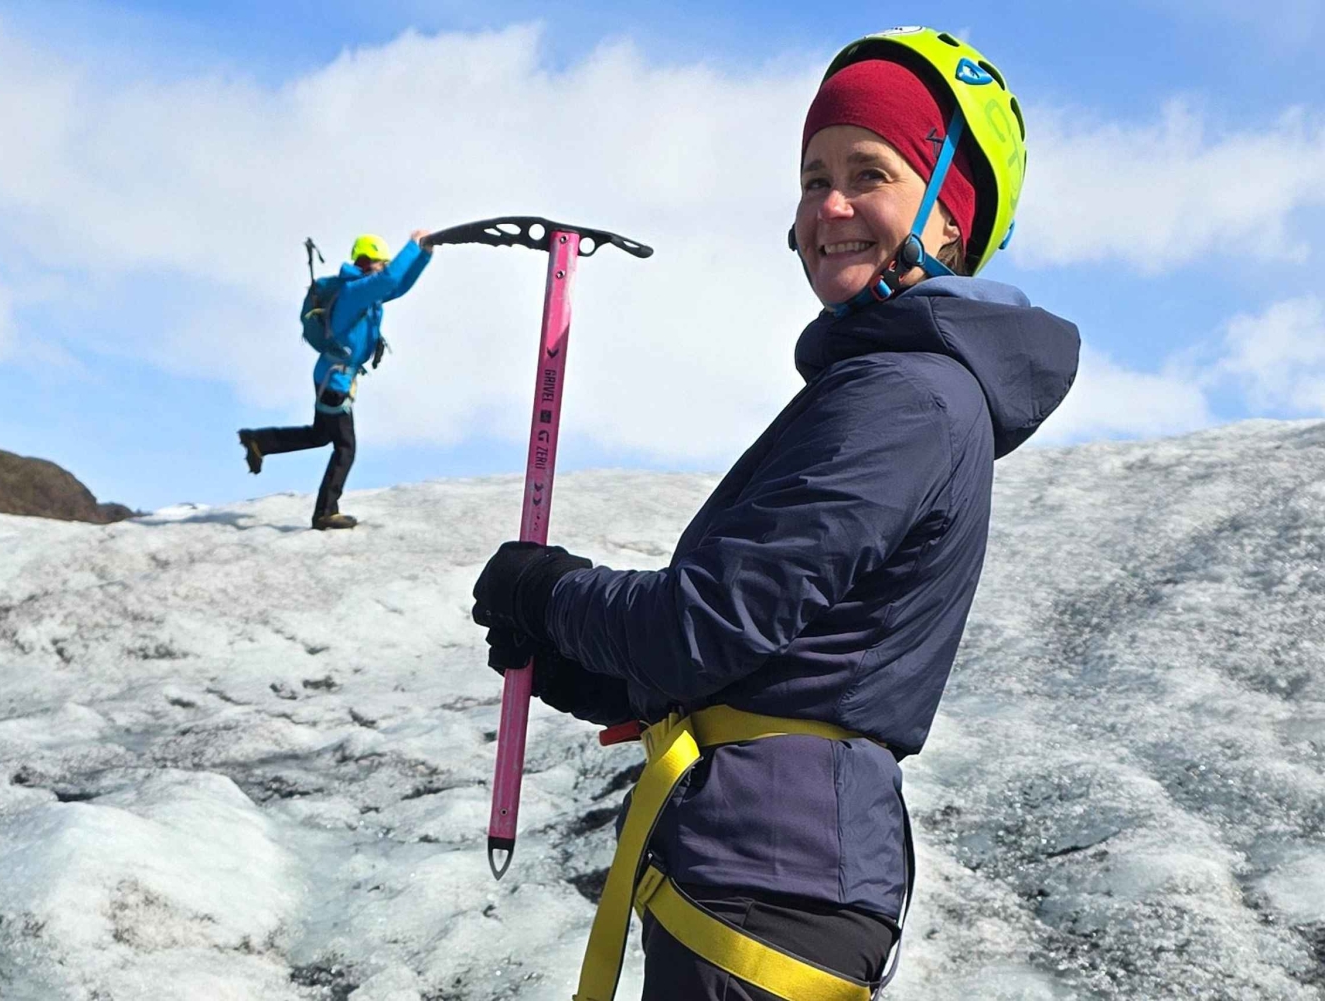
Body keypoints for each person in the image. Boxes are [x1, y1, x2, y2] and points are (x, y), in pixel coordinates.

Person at [471, 27, 1081, 1001]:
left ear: (949, 217)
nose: (829, 205)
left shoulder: (906, 398)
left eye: (868, 173)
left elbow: (702, 625)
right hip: (764, 881)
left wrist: (553, 592)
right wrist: (576, 666)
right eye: (812, 176)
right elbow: (775, 660)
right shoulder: (883, 384)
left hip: (771, 889)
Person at [239, 231, 433, 529]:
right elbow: (389, 280)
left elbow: (398, 286)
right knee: (345, 446)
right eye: (382, 262)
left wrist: (424, 255)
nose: (385, 267)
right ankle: (325, 512)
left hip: (332, 377)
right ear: (368, 263)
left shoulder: (364, 292)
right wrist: (413, 245)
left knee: (320, 435)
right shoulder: (354, 293)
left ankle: (259, 440)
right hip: (334, 383)